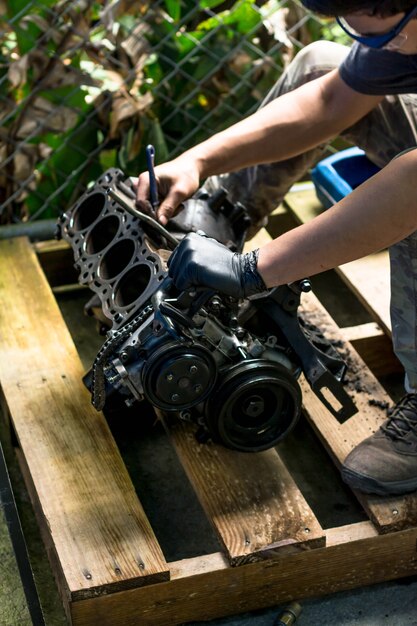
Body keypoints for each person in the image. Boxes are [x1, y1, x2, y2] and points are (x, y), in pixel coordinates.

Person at [134, 0, 417, 497]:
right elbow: (330, 101)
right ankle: (215, 235)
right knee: (321, 65)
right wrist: (199, 160)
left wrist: (254, 269)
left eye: (385, 37)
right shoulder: (400, 25)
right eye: (363, 34)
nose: (382, 49)